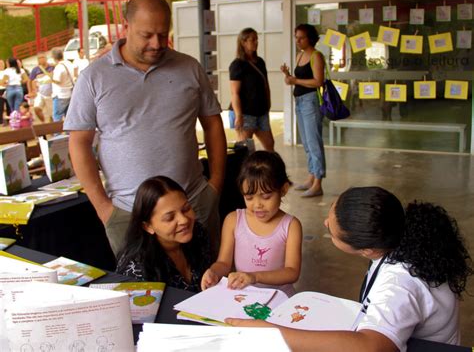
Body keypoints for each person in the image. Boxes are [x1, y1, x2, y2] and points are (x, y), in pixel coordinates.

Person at [64, 0, 226, 258]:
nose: (157, 43)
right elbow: (79, 143)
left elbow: (212, 124)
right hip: (129, 214)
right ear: (126, 26)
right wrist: (103, 208)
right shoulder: (94, 77)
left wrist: (216, 184)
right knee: (145, 295)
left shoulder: (189, 68)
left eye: (163, 34)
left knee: (208, 288)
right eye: (147, 35)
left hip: (193, 206)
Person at [226, 186, 473, 352]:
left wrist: (273, 332)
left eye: (331, 232)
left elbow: (370, 346)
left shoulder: (400, 283)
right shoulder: (398, 231)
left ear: (366, 250)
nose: (324, 222)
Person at [201, 151, 302, 296]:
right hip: (244, 296)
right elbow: (223, 263)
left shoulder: (291, 226)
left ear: (283, 189)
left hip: (280, 298)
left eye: (266, 197)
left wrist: (254, 277)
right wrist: (213, 272)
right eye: (249, 197)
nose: (257, 204)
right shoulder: (233, 220)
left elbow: (292, 272)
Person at [116, 176, 211, 292]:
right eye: (170, 218)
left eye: (186, 209)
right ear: (148, 226)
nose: (184, 220)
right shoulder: (136, 270)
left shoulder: (198, 232)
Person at [280, 24, 325, 198]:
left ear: (310, 38)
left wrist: (295, 80)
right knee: (306, 143)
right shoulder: (300, 56)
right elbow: (297, 80)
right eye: (296, 37)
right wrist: (289, 76)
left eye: (301, 37)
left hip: (310, 102)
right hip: (299, 101)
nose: (297, 41)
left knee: (314, 144)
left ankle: (318, 183)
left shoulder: (316, 56)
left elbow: (318, 82)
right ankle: (311, 177)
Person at [229, 28, 274, 152]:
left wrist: (268, 104)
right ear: (243, 42)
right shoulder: (237, 65)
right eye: (252, 40)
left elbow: (266, 85)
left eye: (257, 39)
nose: (256, 42)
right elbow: (235, 93)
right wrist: (238, 115)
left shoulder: (260, 62)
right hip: (245, 113)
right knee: (246, 149)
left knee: (269, 145)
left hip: (261, 111)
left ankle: (272, 170)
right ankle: (245, 171)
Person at [29, 53, 54, 123]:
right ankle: (43, 122)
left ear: (46, 58)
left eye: (43, 57)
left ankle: (52, 128)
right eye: (39, 58)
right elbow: (30, 80)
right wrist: (31, 91)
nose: (41, 59)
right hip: (40, 92)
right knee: (36, 108)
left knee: (52, 113)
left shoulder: (52, 67)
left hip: (51, 93)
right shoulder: (35, 69)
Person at [51, 48, 74, 122]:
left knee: (57, 116)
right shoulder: (68, 63)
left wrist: (50, 78)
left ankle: (57, 133)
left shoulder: (59, 67)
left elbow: (58, 81)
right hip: (69, 92)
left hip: (60, 94)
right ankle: (69, 132)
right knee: (68, 116)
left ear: (54, 57)